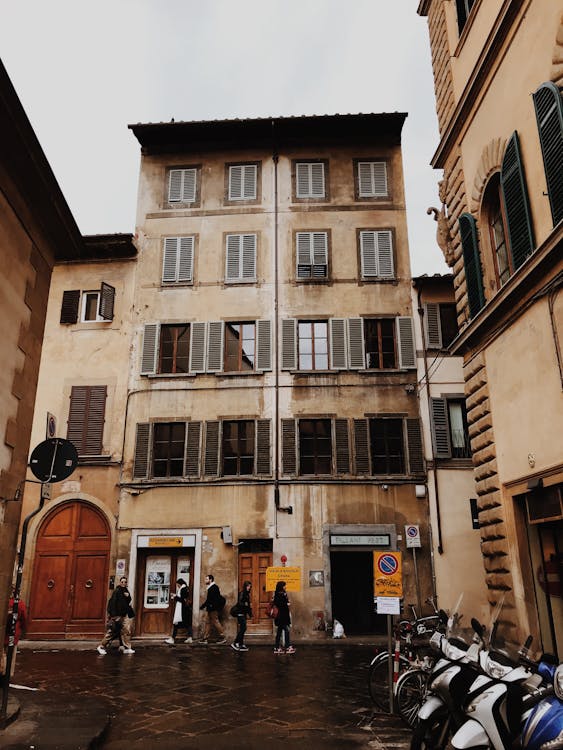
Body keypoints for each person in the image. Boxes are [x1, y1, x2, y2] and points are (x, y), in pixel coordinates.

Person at [97, 576, 135, 655]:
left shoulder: (126, 591)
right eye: (122, 582)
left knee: (125, 631)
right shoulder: (117, 591)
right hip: (118, 615)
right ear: (120, 582)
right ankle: (101, 646)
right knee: (112, 632)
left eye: (125, 582)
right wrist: (114, 616)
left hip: (124, 615)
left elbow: (128, 602)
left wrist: (128, 597)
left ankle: (126, 647)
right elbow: (113, 604)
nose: (124, 583)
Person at [199, 574, 226, 644]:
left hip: (213, 609)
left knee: (216, 621)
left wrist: (203, 606)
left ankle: (222, 637)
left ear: (210, 580)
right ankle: (205, 638)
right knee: (208, 622)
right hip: (210, 608)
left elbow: (210, 600)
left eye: (206, 579)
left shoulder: (213, 588)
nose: (205, 581)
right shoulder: (211, 587)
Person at [165, 577, 193, 644]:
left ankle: (172, 639)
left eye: (177, 585)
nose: (177, 586)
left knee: (176, 623)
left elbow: (183, 600)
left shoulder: (183, 589)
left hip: (182, 610)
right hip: (185, 610)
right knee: (187, 624)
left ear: (180, 584)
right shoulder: (185, 588)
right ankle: (189, 638)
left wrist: (175, 596)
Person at [273, 580, 295, 654]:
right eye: (284, 585)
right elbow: (280, 604)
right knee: (287, 630)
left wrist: (286, 601)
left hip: (282, 616)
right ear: (281, 587)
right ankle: (287, 646)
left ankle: (277, 647)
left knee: (279, 632)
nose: (285, 587)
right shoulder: (280, 594)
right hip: (282, 616)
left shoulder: (280, 594)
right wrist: (287, 603)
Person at [231, 580, 252, 652]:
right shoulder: (242, 593)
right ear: (245, 586)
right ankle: (235, 642)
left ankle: (241, 643)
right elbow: (240, 603)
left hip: (244, 613)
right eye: (248, 586)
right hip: (240, 613)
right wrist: (245, 604)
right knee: (243, 628)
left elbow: (248, 606)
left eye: (250, 586)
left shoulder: (247, 594)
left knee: (243, 628)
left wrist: (250, 614)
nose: (249, 587)